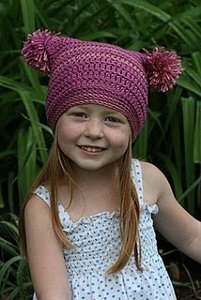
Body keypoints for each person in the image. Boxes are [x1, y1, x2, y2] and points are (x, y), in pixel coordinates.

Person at [19, 29, 201, 300]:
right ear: (56, 120)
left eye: (112, 119)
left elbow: (191, 237)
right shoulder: (45, 206)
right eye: (79, 114)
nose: (94, 131)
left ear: (132, 130)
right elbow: (54, 294)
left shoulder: (146, 180)